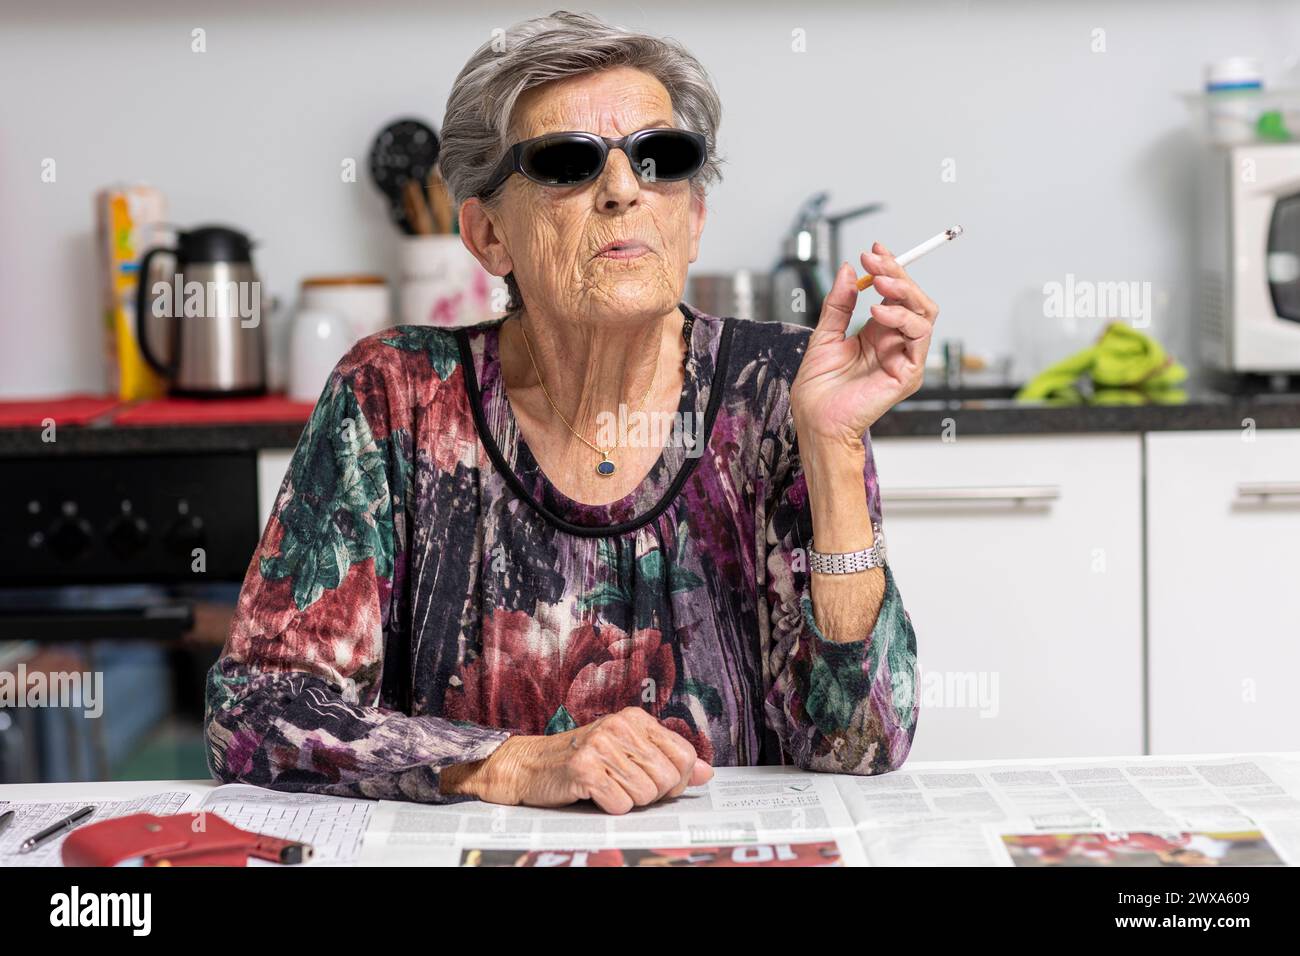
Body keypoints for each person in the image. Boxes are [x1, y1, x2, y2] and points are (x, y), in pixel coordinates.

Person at [205, 10, 938, 814]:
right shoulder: (395, 394)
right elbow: (256, 712)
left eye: (661, 160)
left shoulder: (782, 386)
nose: (624, 189)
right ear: (489, 236)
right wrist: (515, 765)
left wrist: (832, 447)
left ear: (693, 220)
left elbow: (857, 742)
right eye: (567, 164)